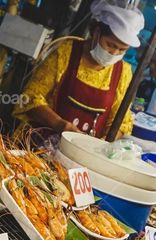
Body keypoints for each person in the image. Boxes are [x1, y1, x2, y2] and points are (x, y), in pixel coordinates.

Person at [15, 0, 144, 138]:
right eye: (110, 45)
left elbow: (121, 121)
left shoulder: (123, 73)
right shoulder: (65, 53)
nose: (114, 53)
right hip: (40, 143)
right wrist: (59, 124)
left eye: (122, 50)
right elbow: (30, 97)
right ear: (96, 32)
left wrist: (101, 145)